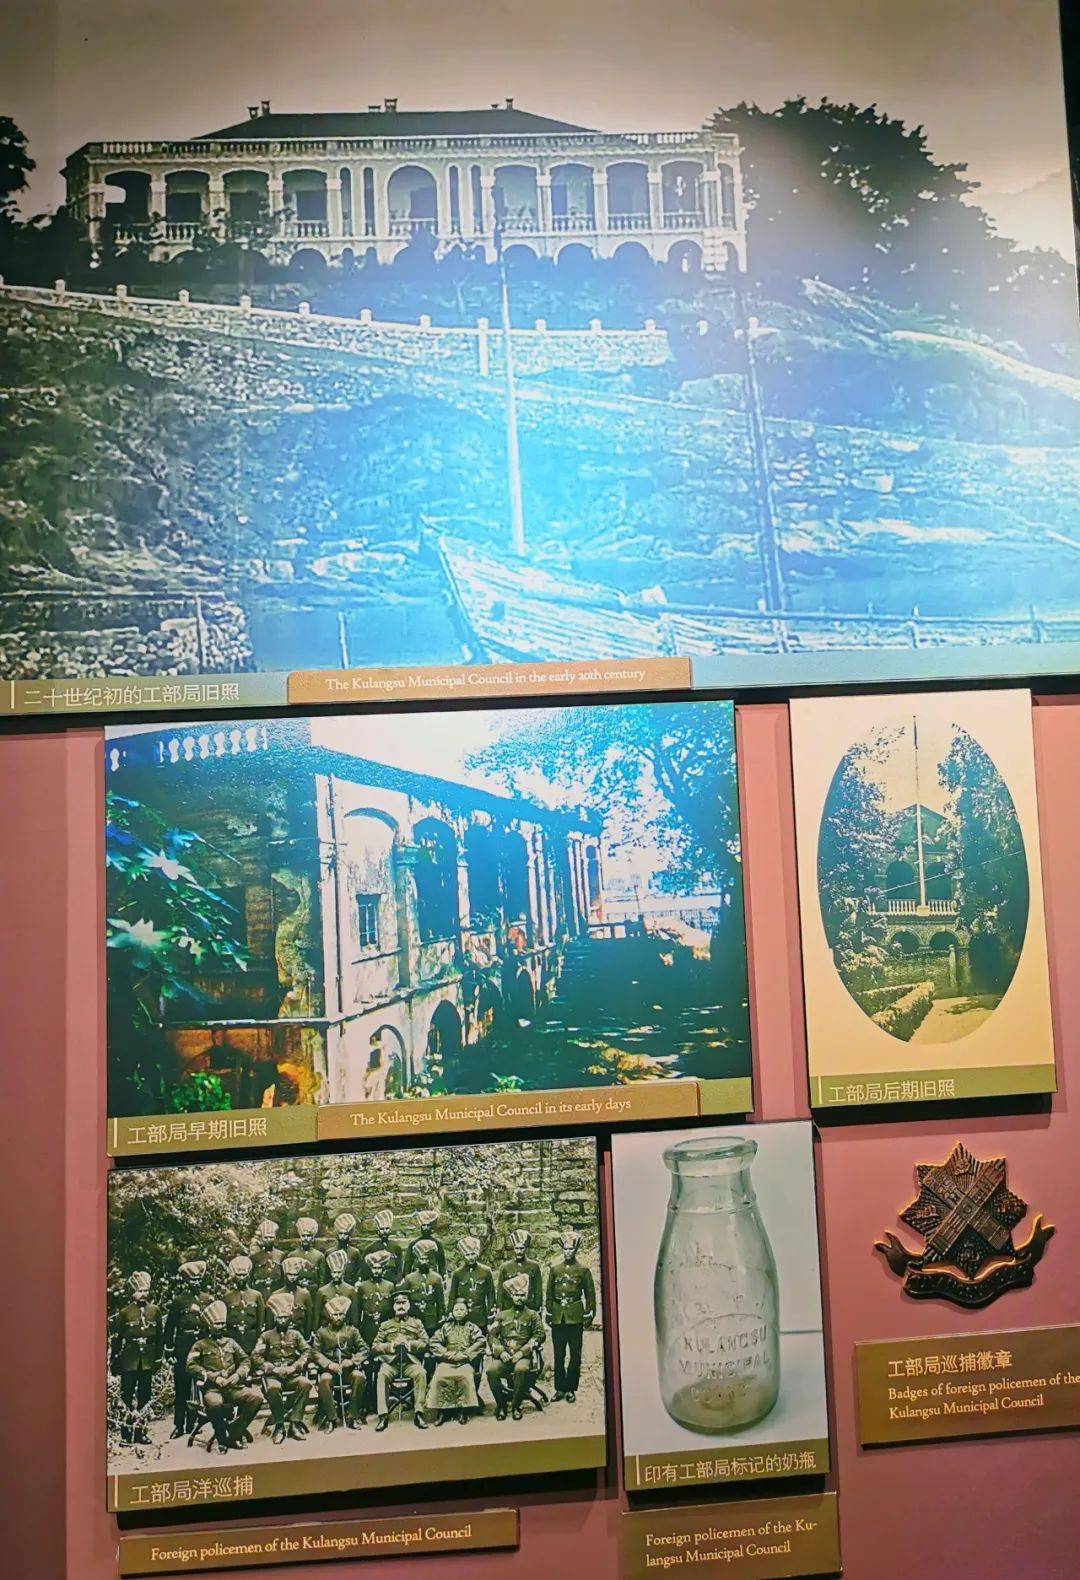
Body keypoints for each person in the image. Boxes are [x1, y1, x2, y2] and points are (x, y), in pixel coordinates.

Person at [185, 1300, 262, 1454]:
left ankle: (234, 1432)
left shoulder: (231, 1342)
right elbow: (190, 1366)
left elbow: (245, 1360)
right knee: (215, 1404)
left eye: (222, 1323)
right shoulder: (200, 1345)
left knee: (256, 1397)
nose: (220, 1327)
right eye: (216, 1324)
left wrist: (238, 1375)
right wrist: (213, 1378)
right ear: (209, 1326)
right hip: (212, 1389)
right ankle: (222, 1440)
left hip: (233, 1387)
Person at [252, 1290, 312, 1445]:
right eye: (280, 1318)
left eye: (285, 1317)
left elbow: (307, 1351)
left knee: (306, 1384)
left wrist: (295, 1366)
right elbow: (256, 1356)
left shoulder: (296, 1335)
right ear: (275, 1318)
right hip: (274, 1376)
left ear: (289, 1318)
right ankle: (279, 1425)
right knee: (273, 1388)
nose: (282, 1321)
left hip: (292, 1375)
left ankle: (295, 1423)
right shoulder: (266, 1336)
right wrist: (272, 1368)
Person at [485, 1274, 546, 1422]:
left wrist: (523, 1352)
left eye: (522, 1295)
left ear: (526, 1296)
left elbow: (540, 1335)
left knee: (521, 1370)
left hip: (523, 1357)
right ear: (511, 1296)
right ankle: (501, 1405)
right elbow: (492, 1335)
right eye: (516, 1295)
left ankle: (516, 1406)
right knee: (491, 1370)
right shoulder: (502, 1315)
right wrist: (500, 1351)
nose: (519, 1298)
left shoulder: (533, 1315)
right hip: (505, 1355)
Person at [111, 1271, 162, 1445]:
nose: (143, 1294)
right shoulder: (125, 1313)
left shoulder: (154, 1311)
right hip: (129, 1360)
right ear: (132, 1293)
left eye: (145, 1290)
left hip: (147, 1360)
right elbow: (118, 1339)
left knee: (145, 1396)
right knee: (126, 1395)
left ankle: (141, 1432)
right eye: (139, 1291)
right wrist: (114, 1360)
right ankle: (126, 1433)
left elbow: (159, 1337)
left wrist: (158, 1358)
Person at [546, 1228, 595, 1404]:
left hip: (575, 1317)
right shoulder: (555, 1270)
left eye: (571, 1249)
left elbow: (590, 1295)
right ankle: (560, 1388)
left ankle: (571, 1389)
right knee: (558, 1355)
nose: (568, 1252)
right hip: (558, 1317)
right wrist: (549, 1312)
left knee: (575, 1355)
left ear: (575, 1250)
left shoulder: (583, 1270)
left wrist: (589, 1314)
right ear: (562, 1250)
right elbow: (549, 1294)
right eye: (565, 1249)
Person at [162, 1260, 208, 1438]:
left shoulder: (207, 1299)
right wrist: (170, 1350)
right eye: (192, 1280)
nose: (196, 1282)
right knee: (181, 1387)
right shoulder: (179, 1301)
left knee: (198, 1385)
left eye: (198, 1279)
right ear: (186, 1281)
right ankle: (179, 1425)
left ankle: (193, 1423)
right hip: (183, 1346)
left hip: (202, 1347)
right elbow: (170, 1328)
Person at [372, 1291, 429, 1432]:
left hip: (410, 1362)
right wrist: (391, 1345)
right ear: (393, 1306)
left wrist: (410, 1344)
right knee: (382, 1375)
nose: (401, 1306)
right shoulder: (385, 1325)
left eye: (404, 1303)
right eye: (398, 1303)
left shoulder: (416, 1323)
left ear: (408, 1305)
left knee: (421, 1373)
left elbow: (425, 1342)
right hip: (391, 1363)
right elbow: (375, 1346)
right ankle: (383, 1415)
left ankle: (419, 1413)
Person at [311, 1293, 369, 1431]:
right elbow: (314, 1352)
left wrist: (352, 1361)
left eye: (341, 1314)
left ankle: (352, 1416)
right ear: (330, 1316)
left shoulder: (352, 1331)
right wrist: (329, 1364)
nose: (338, 1317)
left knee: (359, 1377)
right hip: (330, 1371)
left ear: (345, 1315)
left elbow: (365, 1349)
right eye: (335, 1315)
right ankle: (331, 1419)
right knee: (324, 1379)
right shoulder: (322, 1332)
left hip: (347, 1370)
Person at [427, 1298, 486, 1426]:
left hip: (464, 1362)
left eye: (462, 1309)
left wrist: (465, 1354)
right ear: (452, 1312)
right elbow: (433, 1342)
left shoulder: (472, 1327)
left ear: (467, 1311)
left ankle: (463, 1410)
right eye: (456, 1310)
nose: (459, 1312)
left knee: (465, 1376)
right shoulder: (446, 1327)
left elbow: (481, 1341)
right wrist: (449, 1354)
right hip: (448, 1361)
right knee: (439, 1376)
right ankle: (443, 1411)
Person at [355, 1248, 397, 1418]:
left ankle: (383, 1399)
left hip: (384, 1329)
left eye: (379, 1268)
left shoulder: (390, 1286)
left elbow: (393, 1312)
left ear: (383, 1269)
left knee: (384, 1364)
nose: (377, 1271)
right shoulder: (362, 1287)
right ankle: (368, 1401)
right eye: (374, 1268)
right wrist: (358, 1330)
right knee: (369, 1366)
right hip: (368, 1329)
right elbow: (357, 1312)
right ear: (370, 1269)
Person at [395, 1239, 446, 1341]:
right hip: (415, 1315)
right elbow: (402, 1297)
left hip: (431, 1317)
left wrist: (441, 1317)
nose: (424, 1262)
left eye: (427, 1259)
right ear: (417, 1260)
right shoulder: (410, 1278)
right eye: (422, 1259)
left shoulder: (436, 1278)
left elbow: (440, 1302)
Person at [448, 1236, 496, 1335]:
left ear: (477, 1253)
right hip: (463, 1317)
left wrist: (490, 1317)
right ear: (463, 1255)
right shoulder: (458, 1273)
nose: (470, 1257)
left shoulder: (486, 1271)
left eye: (473, 1254)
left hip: (480, 1317)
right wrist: (451, 1313)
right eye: (467, 1254)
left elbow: (491, 1296)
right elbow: (452, 1297)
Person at [223, 1255, 265, 1357]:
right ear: (234, 1276)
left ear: (248, 1275)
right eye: (238, 1275)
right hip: (233, 1338)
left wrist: (258, 1340)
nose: (241, 1278)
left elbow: (261, 1321)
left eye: (244, 1275)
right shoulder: (227, 1297)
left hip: (251, 1339)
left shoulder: (256, 1295)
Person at [496, 1228, 543, 1311]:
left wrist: (537, 1307)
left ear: (526, 1248)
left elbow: (538, 1290)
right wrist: (499, 1307)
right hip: (509, 1308)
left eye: (522, 1248)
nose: (519, 1251)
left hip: (528, 1308)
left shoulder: (534, 1266)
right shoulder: (505, 1267)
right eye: (517, 1248)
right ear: (514, 1249)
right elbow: (500, 1291)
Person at [312, 1248, 358, 1329]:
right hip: (327, 1328)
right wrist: (315, 1329)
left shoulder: (350, 1290)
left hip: (345, 1329)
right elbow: (317, 1314)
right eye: (334, 1272)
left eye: (339, 1272)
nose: (336, 1275)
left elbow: (354, 1314)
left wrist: (355, 1329)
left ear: (343, 1272)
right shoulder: (322, 1291)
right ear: (330, 1273)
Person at [358, 1209, 405, 1284]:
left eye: (387, 1228)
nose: (384, 1231)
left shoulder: (396, 1247)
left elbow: (399, 1269)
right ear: (378, 1231)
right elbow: (365, 1271)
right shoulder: (370, 1248)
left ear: (390, 1230)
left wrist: (397, 1281)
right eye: (382, 1229)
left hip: (392, 1282)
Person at [275, 1255, 314, 1338]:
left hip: (300, 1332)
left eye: (295, 1275)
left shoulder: (305, 1294)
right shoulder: (277, 1294)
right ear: (285, 1275)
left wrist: (307, 1336)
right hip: (281, 1333)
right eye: (290, 1275)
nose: (292, 1277)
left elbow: (309, 1317)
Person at [404, 1209, 447, 1277]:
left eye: (428, 1226)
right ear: (421, 1227)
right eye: (424, 1226)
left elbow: (441, 1262)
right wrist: (407, 1276)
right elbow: (408, 1263)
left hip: (432, 1274)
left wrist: (443, 1275)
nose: (426, 1229)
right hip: (417, 1274)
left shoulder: (437, 1243)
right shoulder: (414, 1243)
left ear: (431, 1227)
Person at [248, 1220, 284, 1298]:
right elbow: (250, 1279)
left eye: (271, 1237)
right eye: (266, 1237)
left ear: (275, 1238)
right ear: (262, 1238)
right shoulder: (255, 1257)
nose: (268, 1240)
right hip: (260, 1291)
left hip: (277, 1291)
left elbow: (284, 1277)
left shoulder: (281, 1255)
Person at [292, 1217, 327, 1290]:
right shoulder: (293, 1255)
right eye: (303, 1236)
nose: (305, 1238)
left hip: (313, 1290)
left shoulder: (319, 1256)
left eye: (308, 1236)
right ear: (300, 1237)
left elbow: (322, 1279)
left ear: (313, 1237)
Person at [329, 1213, 362, 1284]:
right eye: (341, 1233)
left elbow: (359, 1271)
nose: (343, 1236)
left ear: (349, 1234)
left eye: (345, 1234)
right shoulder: (330, 1252)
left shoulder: (354, 1252)